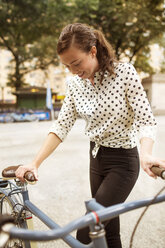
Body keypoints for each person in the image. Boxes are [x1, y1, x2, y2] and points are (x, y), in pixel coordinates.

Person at [15, 23, 165, 248]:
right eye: (67, 66)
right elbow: (61, 126)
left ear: (93, 51)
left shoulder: (124, 73)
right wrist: (35, 163)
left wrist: (146, 154)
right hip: (96, 159)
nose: (73, 71)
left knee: (87, 229)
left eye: (76, 63)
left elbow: (145, 119)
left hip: (123, 162)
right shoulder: (75, 84)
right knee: (108, 231)